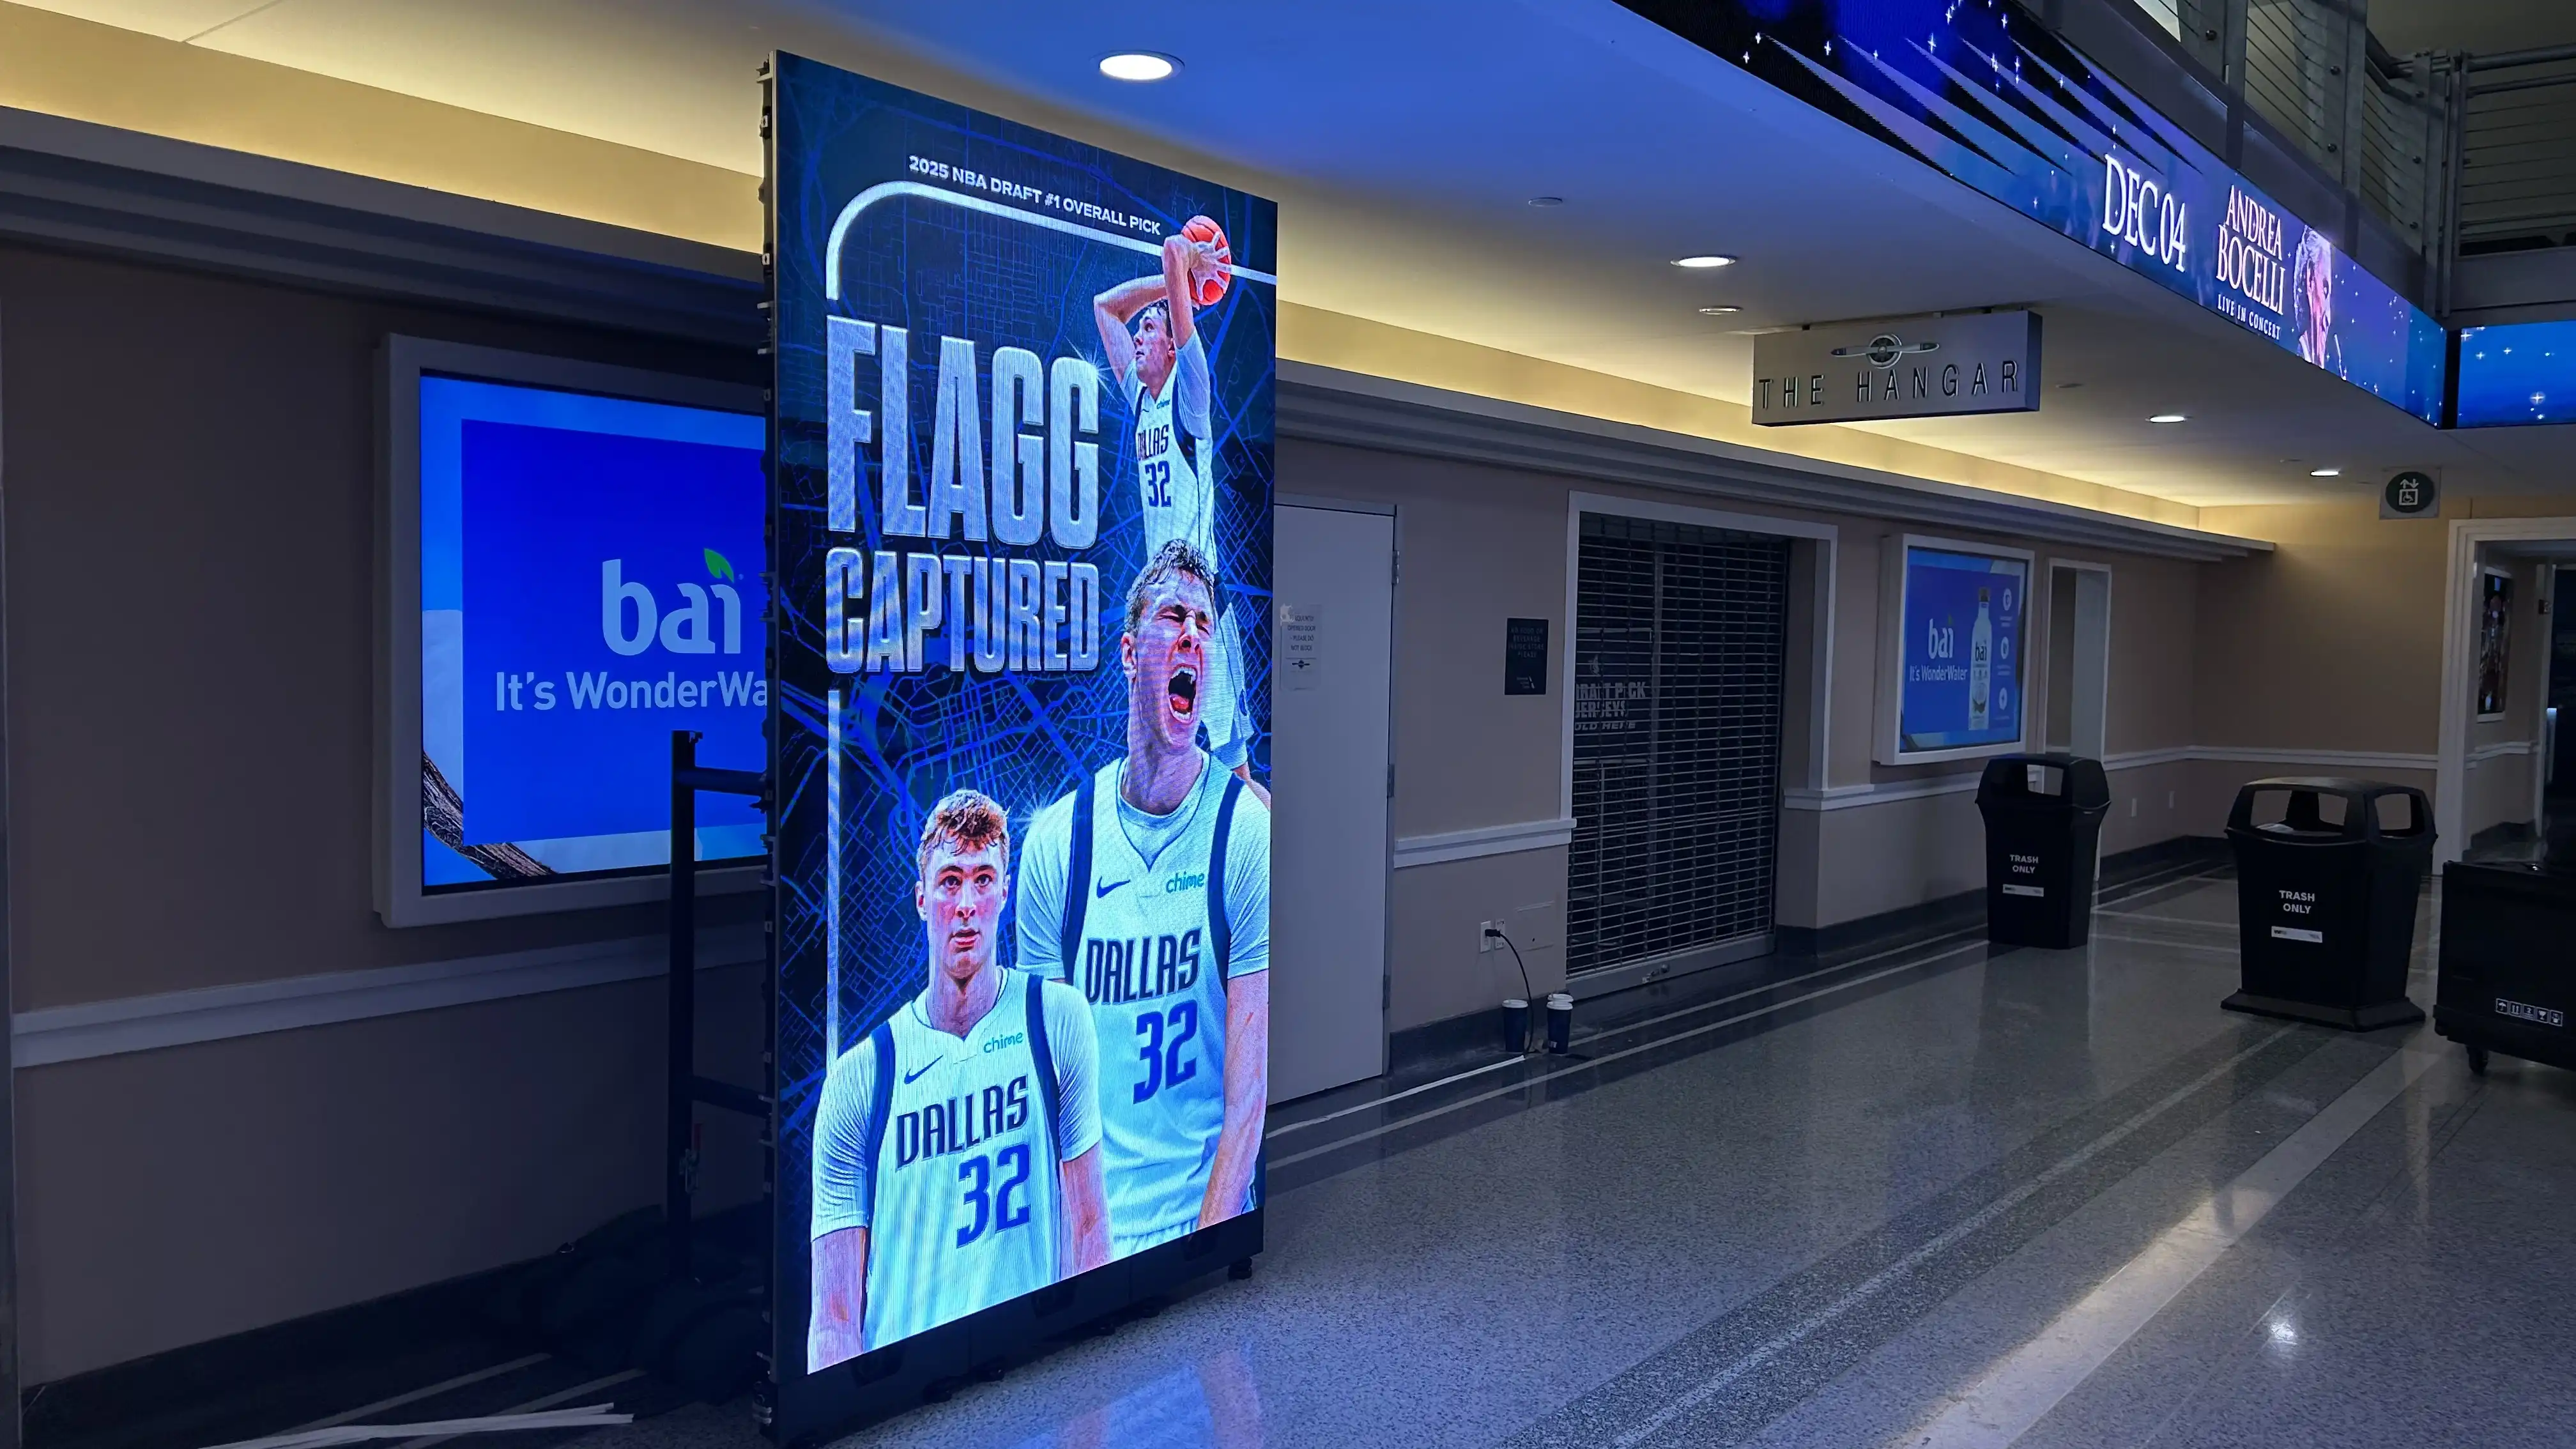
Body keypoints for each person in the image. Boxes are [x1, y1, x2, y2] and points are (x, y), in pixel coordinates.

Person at [1015, 542, 1271, 1259]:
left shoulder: (1245, 835)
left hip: (1197, 1217)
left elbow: (1247, 1102)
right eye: (1172, 616)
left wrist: (1202, 1254)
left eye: (1203, 622)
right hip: (1085, 1242)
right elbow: (1048, 1092)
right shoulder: (1059, 846)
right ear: (1130, 653)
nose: (1193, 631)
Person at [808, 790, 1109, 1368]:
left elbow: (1091, 1231)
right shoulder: (859, 1081)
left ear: (1004, 892)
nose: (967, 902)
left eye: (982, 879)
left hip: (1039, 1367)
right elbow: (835, 1318)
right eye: (950, 881)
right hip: (906, 1397)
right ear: (923, 900)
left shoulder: (1057, 1020)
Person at [1095, 233, 1261, 791]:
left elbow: (1172, 248)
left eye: (1151, 329)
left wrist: (1183, 277)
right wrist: (1169, 286)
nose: (1138, 334)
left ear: (1173, 348)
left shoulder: (1190, 391)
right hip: (1159, 603)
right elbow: (1105, 309)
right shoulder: (1142, 402)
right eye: (1140, 329)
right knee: (1155, 764)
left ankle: (1269, 860)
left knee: (1236, 773)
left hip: (1203, 606)